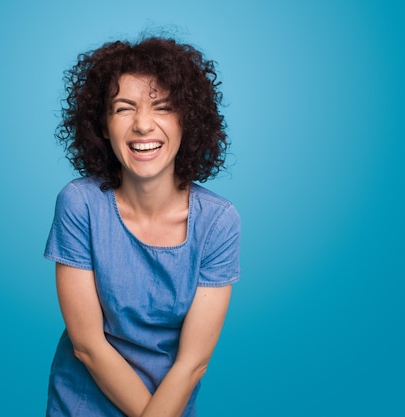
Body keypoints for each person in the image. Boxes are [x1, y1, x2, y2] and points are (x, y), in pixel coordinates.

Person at [44, 35, 241, 417]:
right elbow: (87, 346)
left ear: (188, 120)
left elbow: (193, 363)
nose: (143, 125)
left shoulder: (218, 222)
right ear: (103, 125)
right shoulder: (79, 204)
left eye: (163, 107)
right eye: (123, 108)